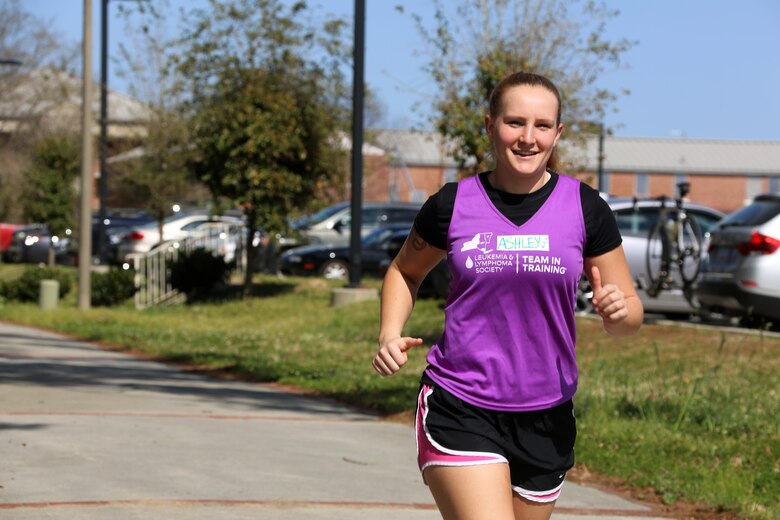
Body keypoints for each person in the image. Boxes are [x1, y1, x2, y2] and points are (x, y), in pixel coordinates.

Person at [372, 71, 643, 520]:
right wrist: (388, 334)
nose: (527, 138)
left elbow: (631, 314)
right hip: (460, 403)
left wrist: (618, 313)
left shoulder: (585, 208)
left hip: (546, 414)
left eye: (541, 126)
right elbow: (404, 271)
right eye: (514, 122)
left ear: (557, 133)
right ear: (490, 124)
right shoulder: (452, 204)